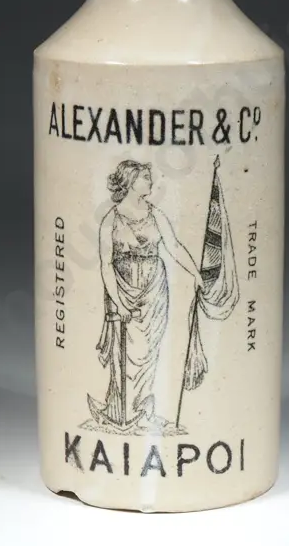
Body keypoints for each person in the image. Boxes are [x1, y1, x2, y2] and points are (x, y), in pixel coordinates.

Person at [87, 160, 204, 432]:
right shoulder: (111, 219)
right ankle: (119, 410)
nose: (151, 182)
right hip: (122, 287)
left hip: (153, 289)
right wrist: (118, 301)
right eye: (145, 178)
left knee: (150, 350)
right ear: (130, 182)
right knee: (122, 351)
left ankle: (142, 408)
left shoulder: (156, 215)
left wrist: (196, 273)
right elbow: (106, 264)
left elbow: (174, 246)